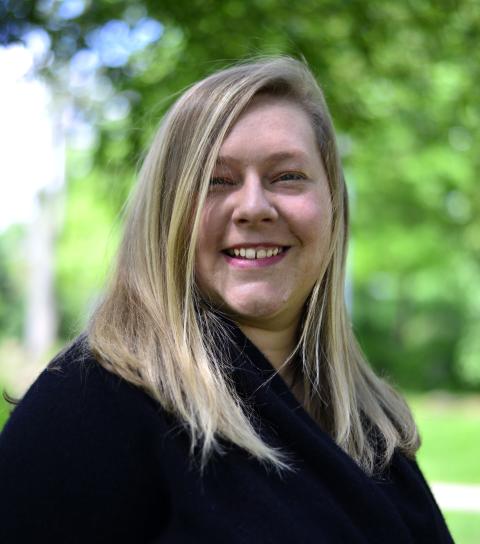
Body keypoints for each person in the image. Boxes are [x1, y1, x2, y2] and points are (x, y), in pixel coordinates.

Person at [0, 57, 453, 543]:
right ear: (167, 215)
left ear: (333, 207)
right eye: (216, 181)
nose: (254, 207)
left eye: (287, 176)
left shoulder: (370, 426)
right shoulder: (89, 406)